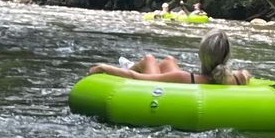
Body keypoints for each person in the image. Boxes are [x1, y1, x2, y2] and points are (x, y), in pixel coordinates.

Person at [90, 30, 251, 86]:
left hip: (171, 81)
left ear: (201, 55)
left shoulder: (181, 78)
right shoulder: (240, 77)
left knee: (149, 59)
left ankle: (129, 65)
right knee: (168, 60)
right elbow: (245, 75)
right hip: (207, 77)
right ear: (227, 56)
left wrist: (103, 67)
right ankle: (142, 63)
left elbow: (135, 77)